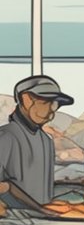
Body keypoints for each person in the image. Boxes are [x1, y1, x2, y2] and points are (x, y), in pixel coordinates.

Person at [0, 75, 72, 204]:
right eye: (45, 102)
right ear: (26, 99)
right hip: (11, 221)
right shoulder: (6, 136)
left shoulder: (46, 140)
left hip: (42, 219)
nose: (51, 110)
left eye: (55, 104)